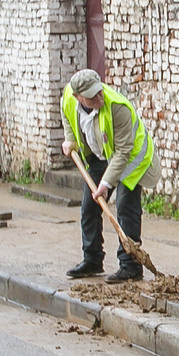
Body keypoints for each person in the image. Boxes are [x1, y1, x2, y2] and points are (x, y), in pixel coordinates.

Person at [60, 68, 154, 283]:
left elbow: (123, 152)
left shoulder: (118, 107)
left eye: (99, 91)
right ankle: (92, 260)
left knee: (125, 207)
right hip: (100, 155)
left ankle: (131, 265)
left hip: (131, 157)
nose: (99, 97)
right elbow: (66, 112)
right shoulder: (68, 96)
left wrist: (105, 184)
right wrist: (70, 139)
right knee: (88, 207)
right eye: (92, 96)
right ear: (78, 97)